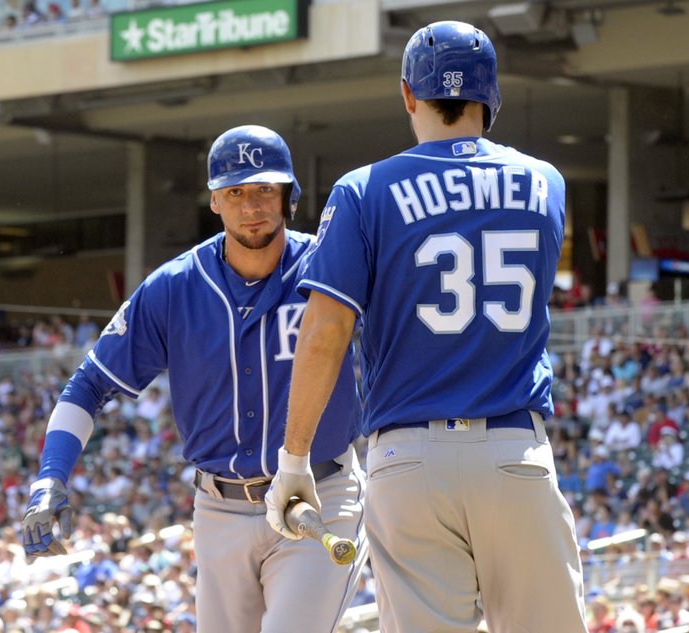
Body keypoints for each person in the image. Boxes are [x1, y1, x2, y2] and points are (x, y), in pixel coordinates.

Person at [265, 21, 588, 633]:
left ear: (409, 95)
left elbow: (326, 331)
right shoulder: (545, 181)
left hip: (407, 461)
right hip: (514, 451)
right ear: (491, 99)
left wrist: (295, 459)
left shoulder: (365, 189)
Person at [20, 125, 367, 633]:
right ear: (215, 202)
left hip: (322, 492)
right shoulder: (172, 287)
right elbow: (89, 385)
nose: (252, 205)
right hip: (219, 510)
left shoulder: (330, 269)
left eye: (265, 189)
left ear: (290, 196)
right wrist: (51, 475)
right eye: (236, 192)